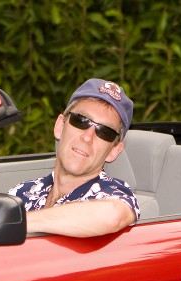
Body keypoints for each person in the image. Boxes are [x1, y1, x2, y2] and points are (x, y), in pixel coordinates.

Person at [9, 78, 140, 237]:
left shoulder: (115, 195)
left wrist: (17, 223)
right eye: (81, 121)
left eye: (105, 132)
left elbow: (113, 216)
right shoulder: (22, 193)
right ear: (59, 126)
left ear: (114, 151)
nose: (87, 137)